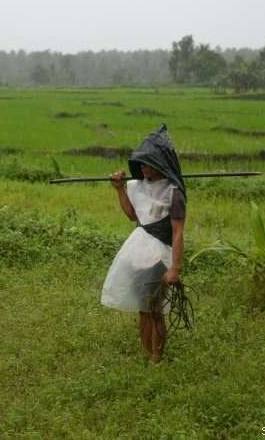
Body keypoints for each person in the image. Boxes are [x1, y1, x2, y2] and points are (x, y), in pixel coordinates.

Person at [100, 125, 186, 363]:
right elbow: (132, 216)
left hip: (158, 257)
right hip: (136, 253)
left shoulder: (173, 193)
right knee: (143, 310)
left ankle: (156, 359)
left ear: (161, 164)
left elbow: (178, 232)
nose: (143, 168)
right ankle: (148, 354)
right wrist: (119, 189)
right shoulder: (137, 187)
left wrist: (174, 268)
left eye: (148, 163)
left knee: (155, 311)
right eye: (141, 164)